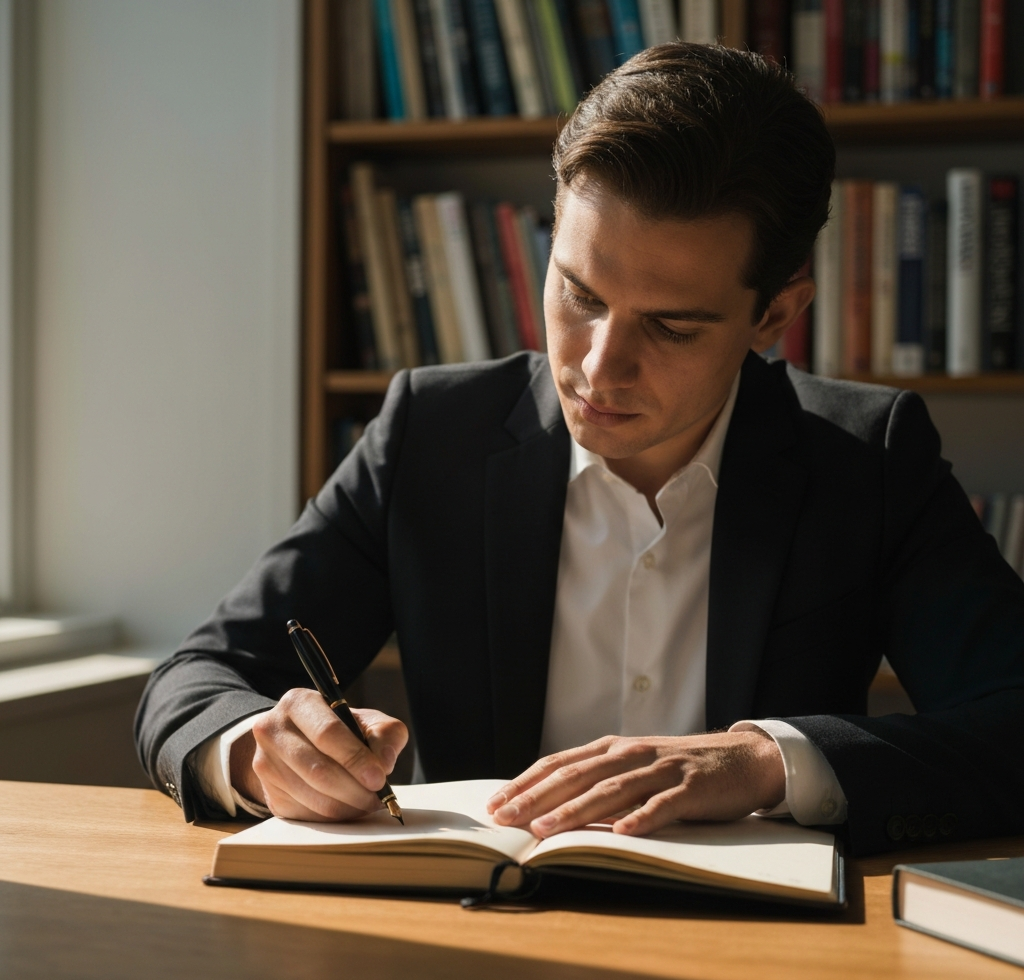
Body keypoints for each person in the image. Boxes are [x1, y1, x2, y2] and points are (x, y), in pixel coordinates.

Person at [135, 43, 1024, 857]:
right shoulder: (430, 434)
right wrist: (256, 753)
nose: (600, 367)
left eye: (672, 326)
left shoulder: (867, 461)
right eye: (580, 294)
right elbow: (200, 678)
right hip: (466, 943)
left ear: (775, 315)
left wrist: (768, 760)